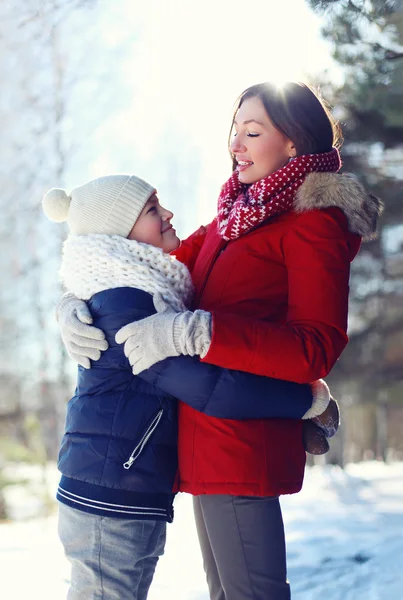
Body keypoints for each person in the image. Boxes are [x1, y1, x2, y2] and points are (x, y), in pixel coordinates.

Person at [56, 82, 383, 599]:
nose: (236, 144)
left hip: (242, 442)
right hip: (200, 441)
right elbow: (138, 265)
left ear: (294, 143)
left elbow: (315, 347)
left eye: (252, 132)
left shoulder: (311, 226)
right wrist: (78, 303)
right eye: (235, 131)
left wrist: (198, 331)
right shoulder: (232, 223)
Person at [43, 173, 336, 600]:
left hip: (127, 489)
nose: (168, 214)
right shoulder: (129, 303)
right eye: (151, 210)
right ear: (121, 234)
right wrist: (304, 400)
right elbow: (212, 387)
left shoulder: (150, 290)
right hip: (109, 492)